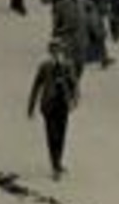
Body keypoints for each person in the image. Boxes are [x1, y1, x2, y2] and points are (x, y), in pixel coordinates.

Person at [27, 41, 80, 180]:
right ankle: (55, 166)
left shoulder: (68, 65)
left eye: (60, 51)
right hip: (48, 105)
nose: (57, 54)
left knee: (62, 135)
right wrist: (31, 107)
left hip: (63, 105)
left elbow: (74, 84)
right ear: (50, 52)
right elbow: (36, 86)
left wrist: (74, 99)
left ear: (63, 52)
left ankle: (58, 162)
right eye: (54, 51)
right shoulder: (44, 66)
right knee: (52, 135)